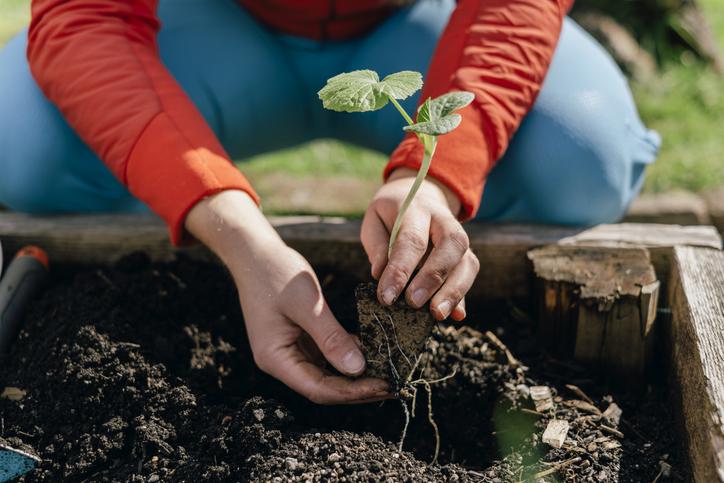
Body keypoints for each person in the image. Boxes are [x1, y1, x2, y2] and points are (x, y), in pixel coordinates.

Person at [0, 0, 660, 404]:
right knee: (18, 144)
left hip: (411, 30)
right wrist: (232, 229)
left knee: (584, 159)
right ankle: (140, 272)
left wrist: (435, 176)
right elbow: (85, 16)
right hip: (215, 29)